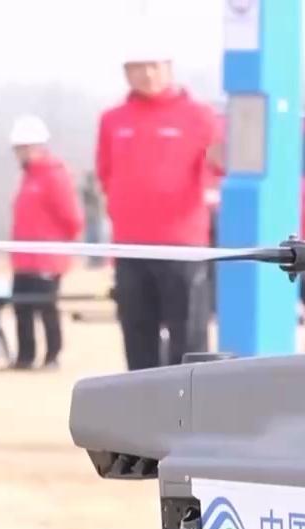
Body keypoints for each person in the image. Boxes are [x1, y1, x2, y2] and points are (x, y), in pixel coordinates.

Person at [95, 39, 222, 370]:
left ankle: (191, 401)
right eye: (138, 67)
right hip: (130, 248)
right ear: (126, 71)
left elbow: (220, 169)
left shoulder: (200, 116)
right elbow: (105, 174)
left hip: (183, 248)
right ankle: (141, 401)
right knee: (137, 338)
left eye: (154, 65)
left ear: (169, 67)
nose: (147, 74)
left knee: (189, 341)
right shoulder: (112, 120)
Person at [6, 114, 83, 370]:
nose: (20, 154)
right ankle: (25, 357)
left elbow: (72, 218)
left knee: (46, 307)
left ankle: (52, 356)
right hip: (24, 258)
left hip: (47, 258)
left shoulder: (54, 175)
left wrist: (56, 248)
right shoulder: (28, 177)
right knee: (22, 308)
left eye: (23, 148)